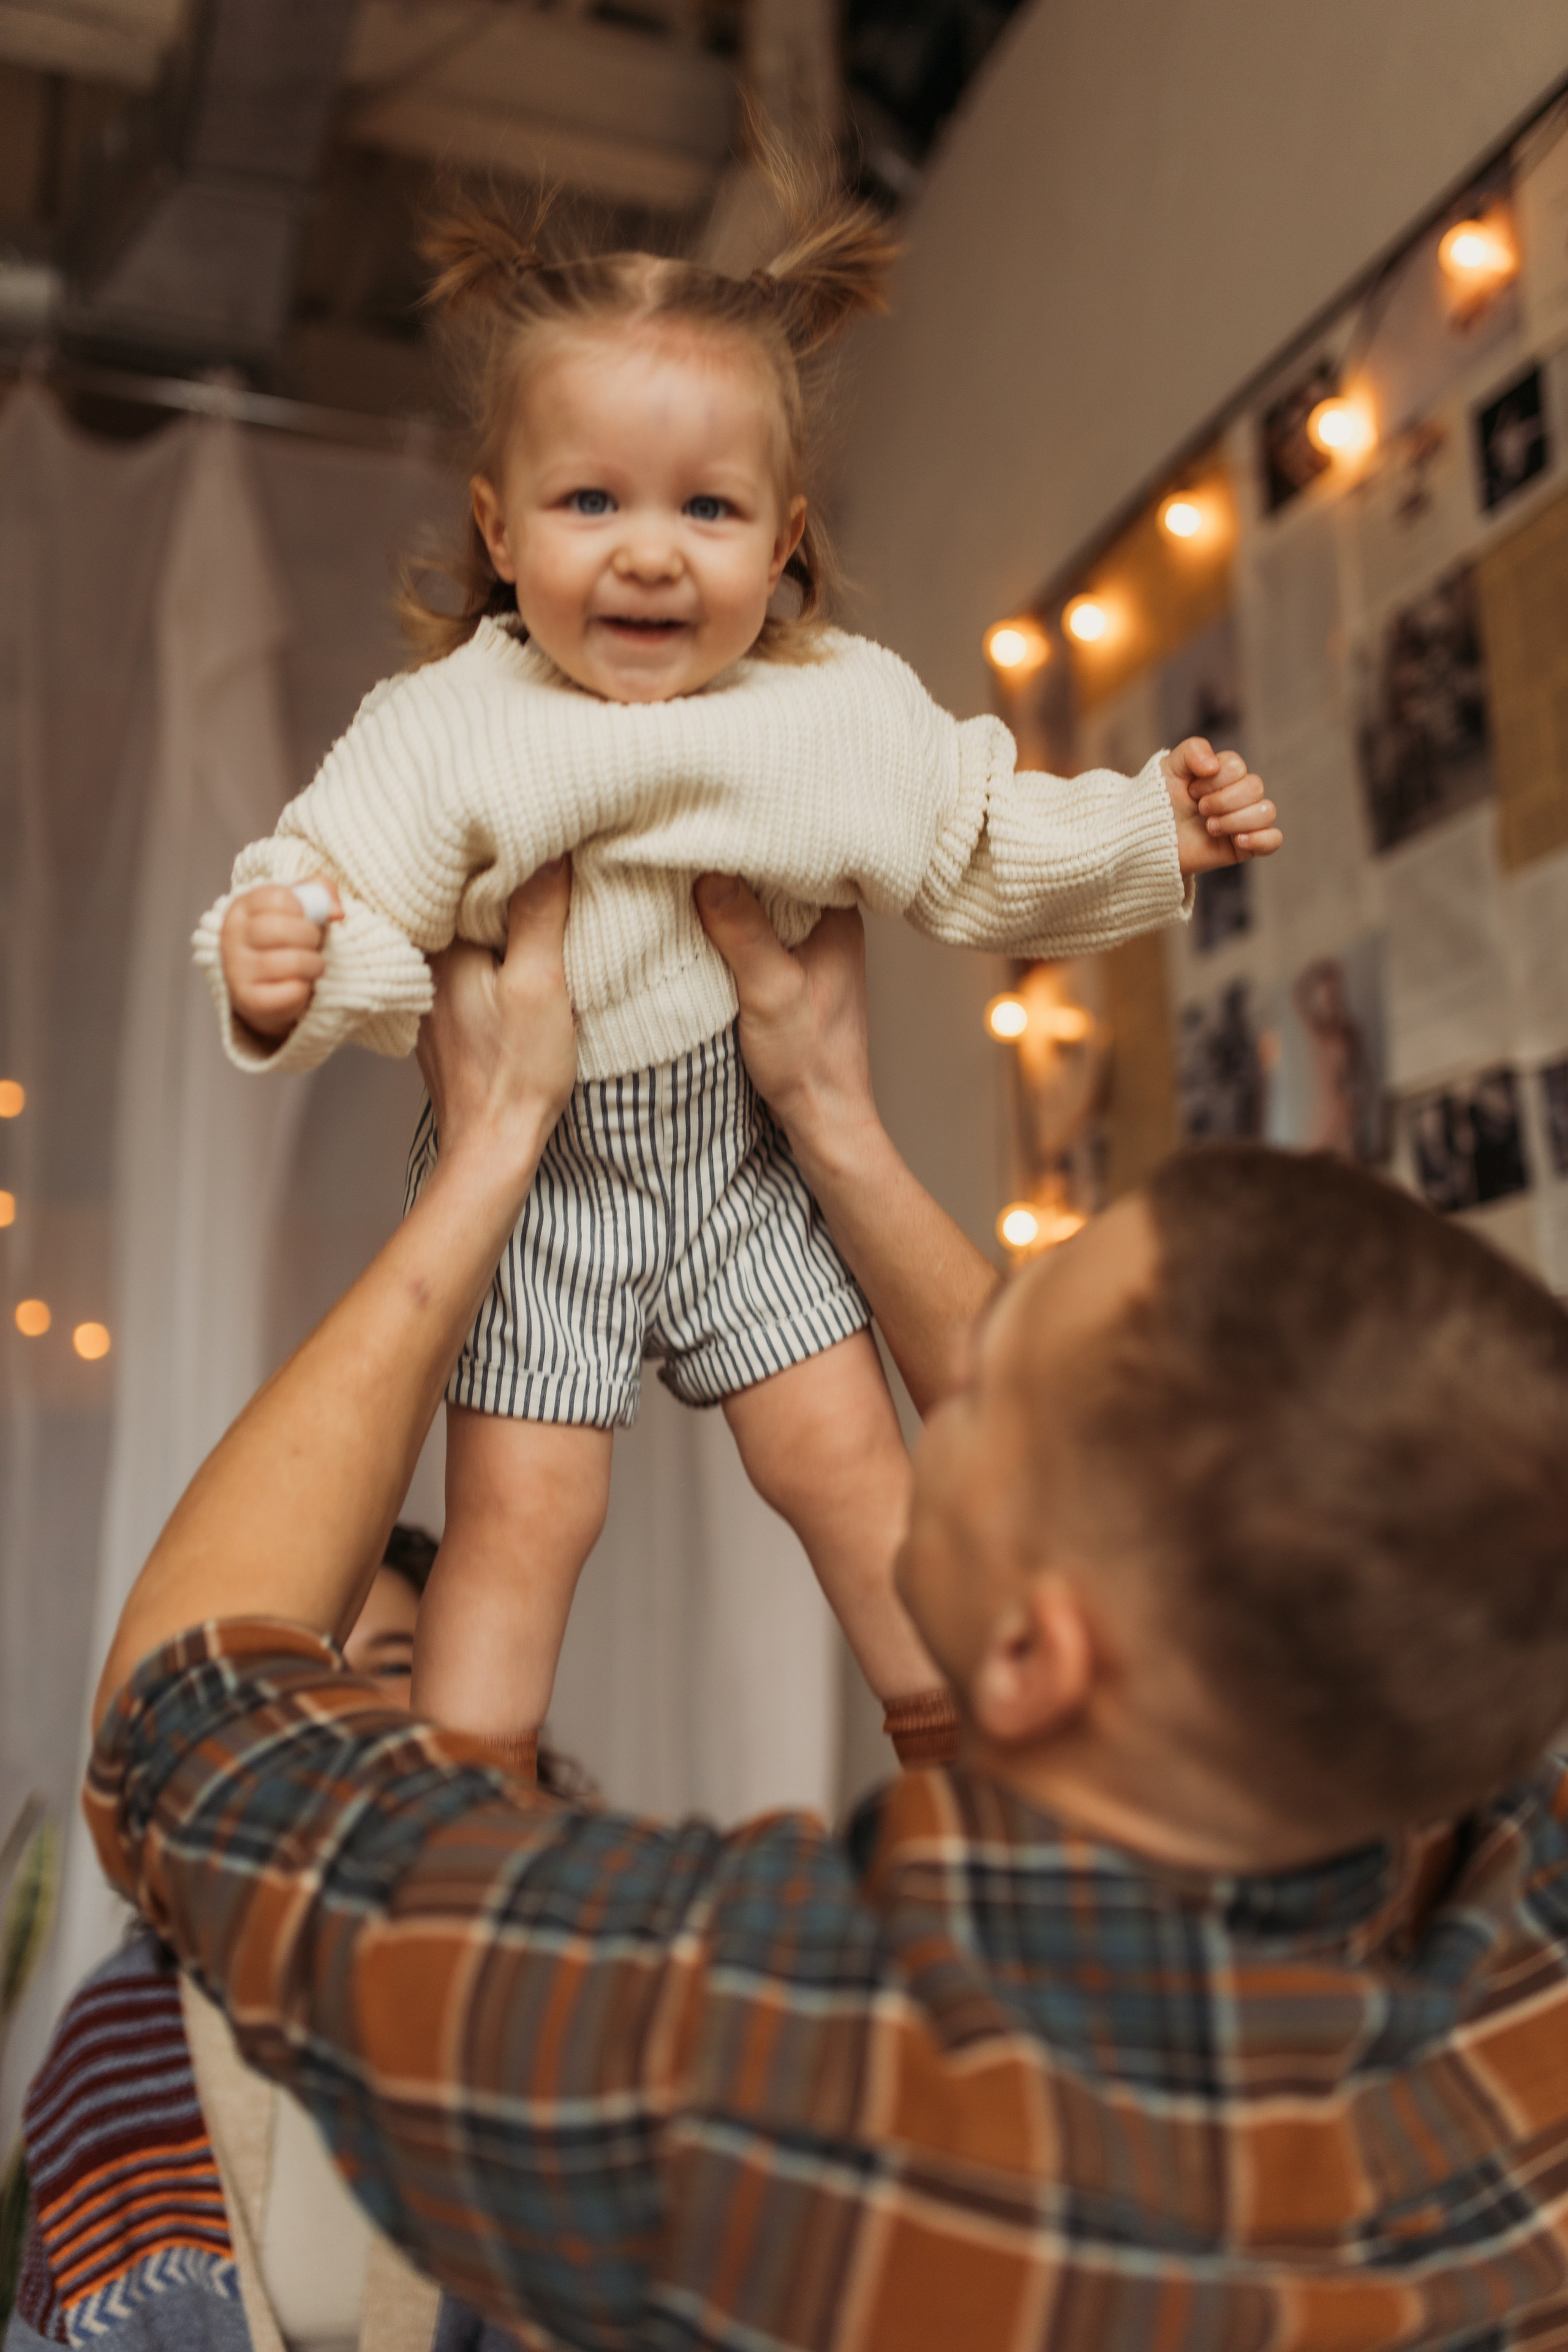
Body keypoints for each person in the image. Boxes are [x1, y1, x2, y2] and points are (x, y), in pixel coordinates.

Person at [83, 867, 1568, 2350]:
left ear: (1037, 1654)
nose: (951, 1372)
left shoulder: (771, 2067)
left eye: (989, 1391)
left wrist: (483, 1157)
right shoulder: (1522, 1901)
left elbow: (179, 1718)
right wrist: (837, 1125)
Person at [192, 168, 1281, 1779]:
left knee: (846, 1463)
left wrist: (1148, 833)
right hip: (539, 1180)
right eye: (591, 506)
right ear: (498, 526)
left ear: (784, 542)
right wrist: (282, 958)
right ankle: (469, 1808)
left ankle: (957, 1759)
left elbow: (974, 833)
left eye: (705, 511)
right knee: (524, 1511)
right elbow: (336, 872)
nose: (649, 558)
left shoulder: (832, 706)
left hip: (742, 1159)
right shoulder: (449, 722)